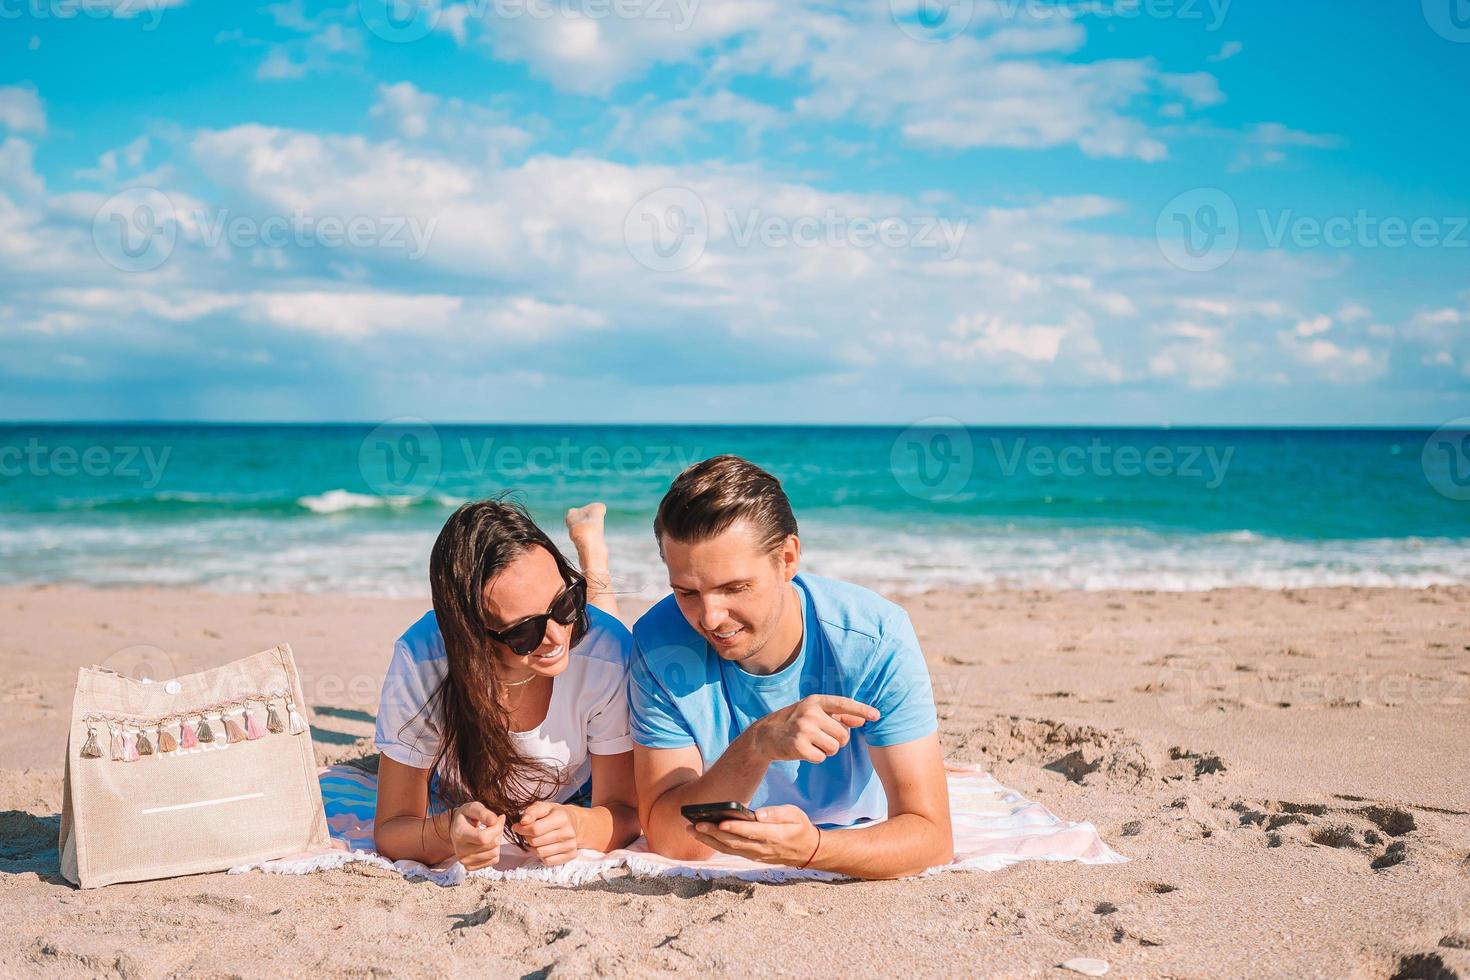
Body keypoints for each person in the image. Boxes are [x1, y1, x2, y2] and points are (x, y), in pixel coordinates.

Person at [629, 455, 953, 879]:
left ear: (787, 558)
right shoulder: (659, 643)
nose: (710, 618)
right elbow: (670, 839)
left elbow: (932, 837)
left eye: (734, 588)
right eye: (687, 592)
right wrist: (758, 743)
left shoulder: (874, 639)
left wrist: (813, 848)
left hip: (852, 823)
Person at [372, 499, 640, 870]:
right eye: (524, 631)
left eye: (567, 601)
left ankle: (592, 552)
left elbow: (625, 810)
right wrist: (445, 832)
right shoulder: (422, 662)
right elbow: (391, 827)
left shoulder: (607, 653)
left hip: (579, 780)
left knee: (604, 634)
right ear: (473, 637)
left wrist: (579, 824)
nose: (555, 636)